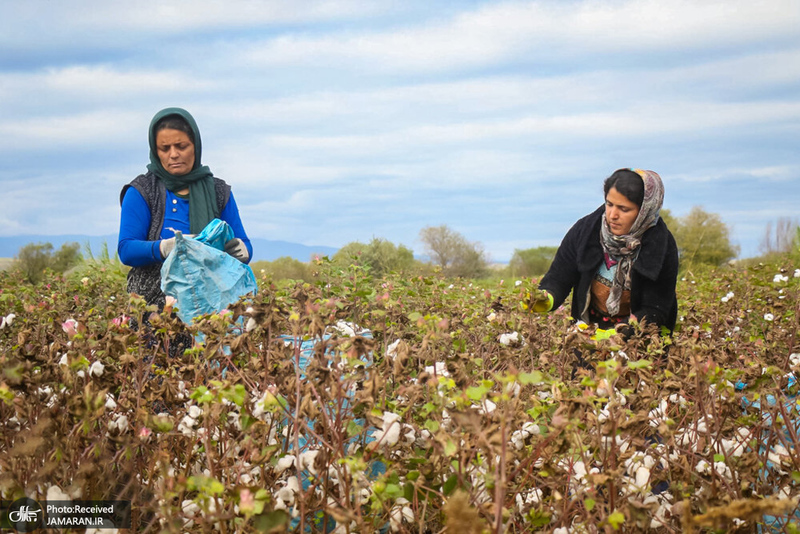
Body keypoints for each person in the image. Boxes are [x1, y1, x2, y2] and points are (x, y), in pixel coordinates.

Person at [118, 107, 253, 310]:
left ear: (195, 146)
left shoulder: (218, 192)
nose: (174, 154)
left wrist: (241, 250)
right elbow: (126, 250)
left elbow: (244, 245)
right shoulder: (142, 191)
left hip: (211, 309)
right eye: (165, 148)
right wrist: (165, 247)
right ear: (155, 151)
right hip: (154, 311)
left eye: (181, 146)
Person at [529, 168, 678, 335]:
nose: (612, 215)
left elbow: (654, 309)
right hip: (589, 331)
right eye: (609, 204)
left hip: (639, 340)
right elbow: (559, 277)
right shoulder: (585, 231)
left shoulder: (661, 244)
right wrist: (546, 298)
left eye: (624, 209)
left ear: (644, 210)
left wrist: (617, 336)